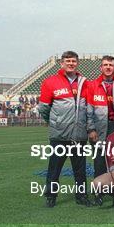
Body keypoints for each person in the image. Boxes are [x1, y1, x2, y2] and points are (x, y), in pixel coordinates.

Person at [38, 51, 91, 208]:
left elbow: (88, 108)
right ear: (61, 63)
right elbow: (43, 108)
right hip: (59, 135)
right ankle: (51, 196)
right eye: (67, 61)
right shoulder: (50, 82)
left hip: (79, 135)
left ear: (77, 63)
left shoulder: (84, 82)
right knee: (54, 168)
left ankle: (81, 196)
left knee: (80, 169)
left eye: (73, 61)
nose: (71, 63)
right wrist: (55, 122)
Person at [86, 55, 114, 178]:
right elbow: (89, 111)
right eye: (105, 65)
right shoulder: (92, 85)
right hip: (98, 127)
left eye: (111, 65)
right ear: (101, 67)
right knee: (99, 160)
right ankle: (99, 192)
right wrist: (91, 129)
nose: (108, 67)